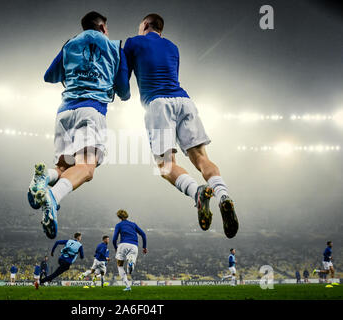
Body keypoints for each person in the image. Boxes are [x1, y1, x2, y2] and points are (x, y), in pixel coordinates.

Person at [123, 13, 238, 238]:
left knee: (165, 166)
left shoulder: (133, 42)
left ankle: (197, 193)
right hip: (184, 101)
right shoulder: (173, 47)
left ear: (145, 25)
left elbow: (123, 77)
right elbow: (173, 76)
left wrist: (122, 93)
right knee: (201, 158)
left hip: (157, 103)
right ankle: (223, 194)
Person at [27, 11, 130, 239]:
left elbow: (49, 76)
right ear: (103, 27)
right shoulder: (115, 47)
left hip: (64, 112)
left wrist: (75, 71)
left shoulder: (70, 43)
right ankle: (52, 198)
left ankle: (44, 179)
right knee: (86, 169)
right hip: (91, 111)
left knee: (65, 167)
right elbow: (124, 91)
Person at [112, 209, 147, 292]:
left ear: (119, 217)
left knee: (120, 265)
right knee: (131, 264)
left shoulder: (119, 225)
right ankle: (131, 263)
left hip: (123, 244)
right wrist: (144, 247)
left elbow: (114, 239)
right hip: (134, 246)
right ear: (127, 215)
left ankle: (127, 286)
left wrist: (115, 248)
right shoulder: (133, 224)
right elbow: (143, 234)